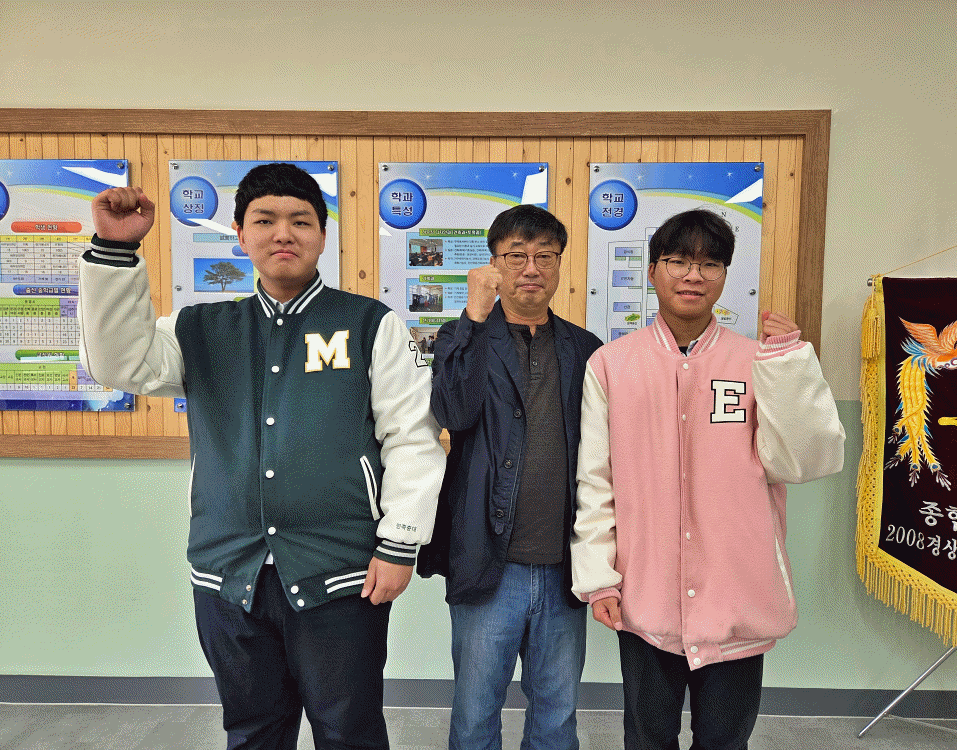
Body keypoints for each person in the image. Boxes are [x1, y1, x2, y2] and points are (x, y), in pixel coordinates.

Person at [77, 163, 446, 750]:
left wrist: (401, 542)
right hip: (229, 573)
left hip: (341, 574)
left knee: (348, 731)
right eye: (265, 220)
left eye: (300, 221)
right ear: (240, 234)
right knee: (252, 733)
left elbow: (412, 437)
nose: (283, 234)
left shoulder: (368, 325)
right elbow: (120, 364)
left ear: (322, 235)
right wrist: (115, 251)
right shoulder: (199, 328)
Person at [570, 209, 845, 750]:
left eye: (710, 264)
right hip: (647, 595)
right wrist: (599, 576)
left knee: (725, 740)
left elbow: (804, 461)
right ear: (653, 271)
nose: (693, 276)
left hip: (735, 595)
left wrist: (788, 368)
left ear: (724, 276)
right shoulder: (611, 364)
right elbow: (595, 480)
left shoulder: (757, 360)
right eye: (678, 261)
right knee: (647, 738)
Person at [417, 204, 603, 750]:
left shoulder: (585, 349)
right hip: (486, 560)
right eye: (516, 256)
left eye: (545, 256)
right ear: (494, 264)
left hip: (563, 562)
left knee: (557, 715)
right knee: (476, 714)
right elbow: (453, 412)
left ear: (560, 264)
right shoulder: (460, 336)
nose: (531, 268)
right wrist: (474, 317)